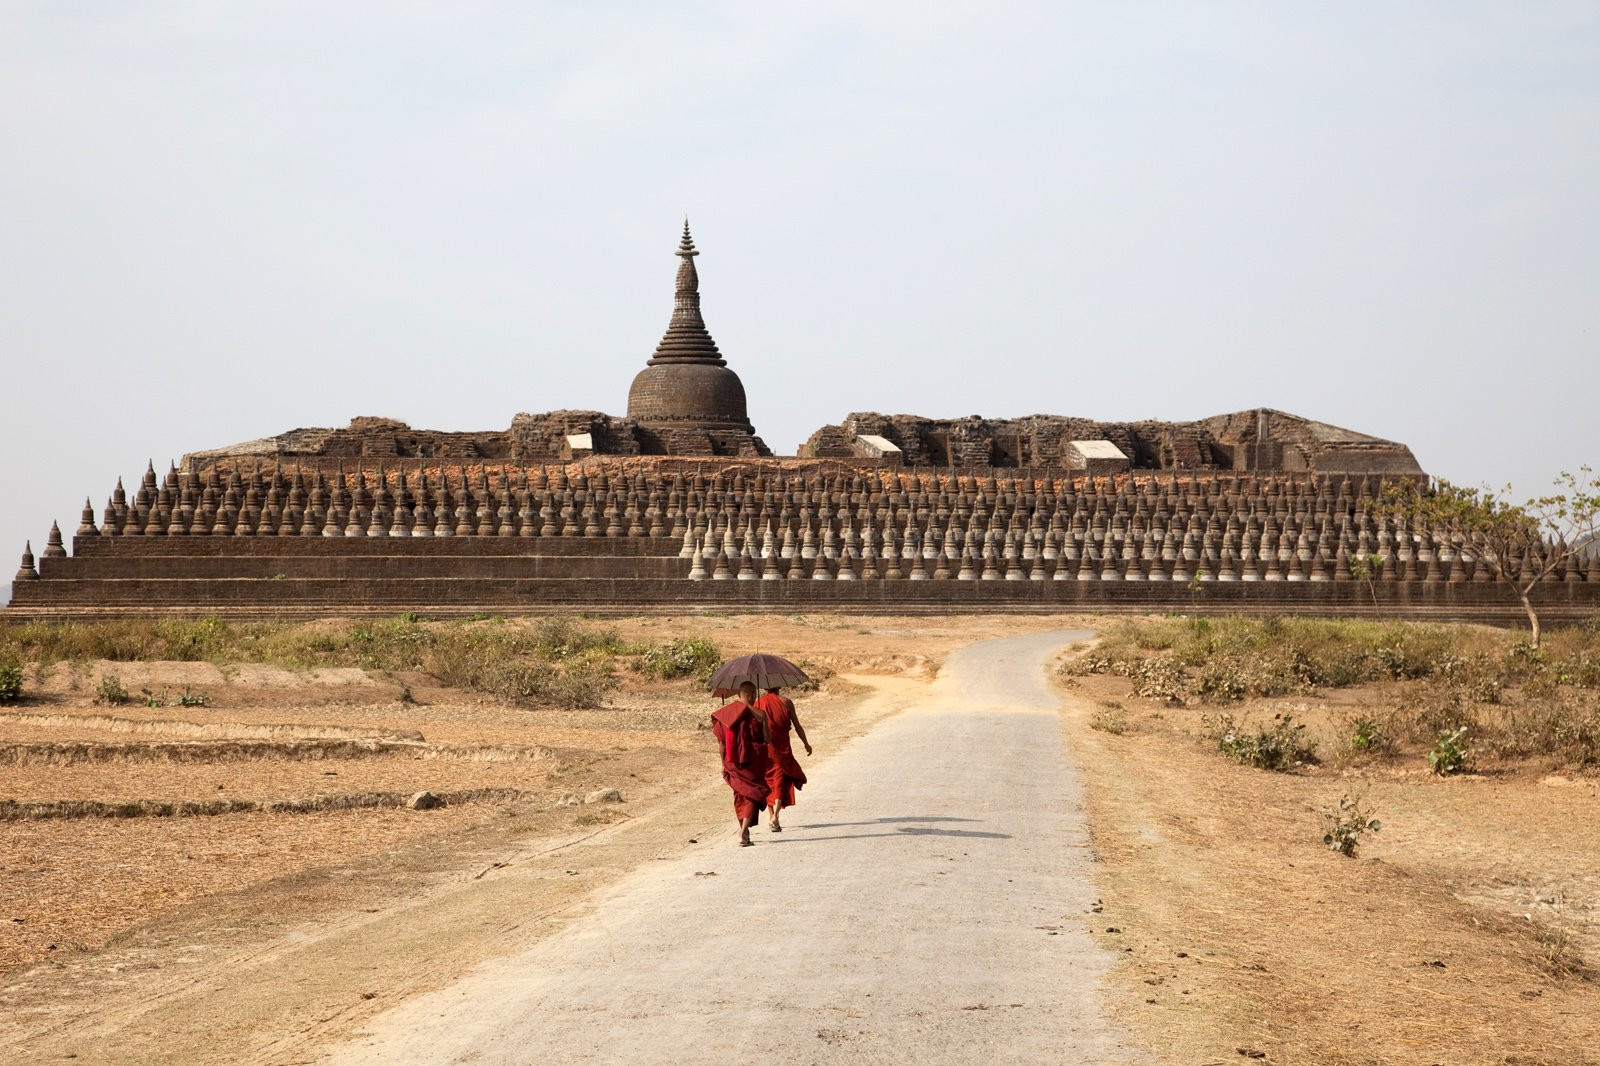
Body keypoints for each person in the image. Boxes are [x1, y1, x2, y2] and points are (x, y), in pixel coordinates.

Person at [710, 681, 769, 846]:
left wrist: (724, 763)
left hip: (733, 761)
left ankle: (744, 830)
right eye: (755, 694)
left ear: (739, 695)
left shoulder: (728, 714)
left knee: (740, 795)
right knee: (751, 795)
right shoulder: (760, 714)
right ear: (751, 695)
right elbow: (767, 739)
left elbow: (722, 743)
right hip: (754, 762)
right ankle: (743, 831)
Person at [754, 687, 811, 832]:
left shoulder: (758, 703)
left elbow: (754, 729)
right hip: (782, 750)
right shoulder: (786, 702)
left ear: (765, 688)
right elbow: (797, 726)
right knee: (779, 780)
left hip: (766, 750)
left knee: (768, 781)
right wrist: (806, 743)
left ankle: (772, 814)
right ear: (779, 686)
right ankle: (776, 816)